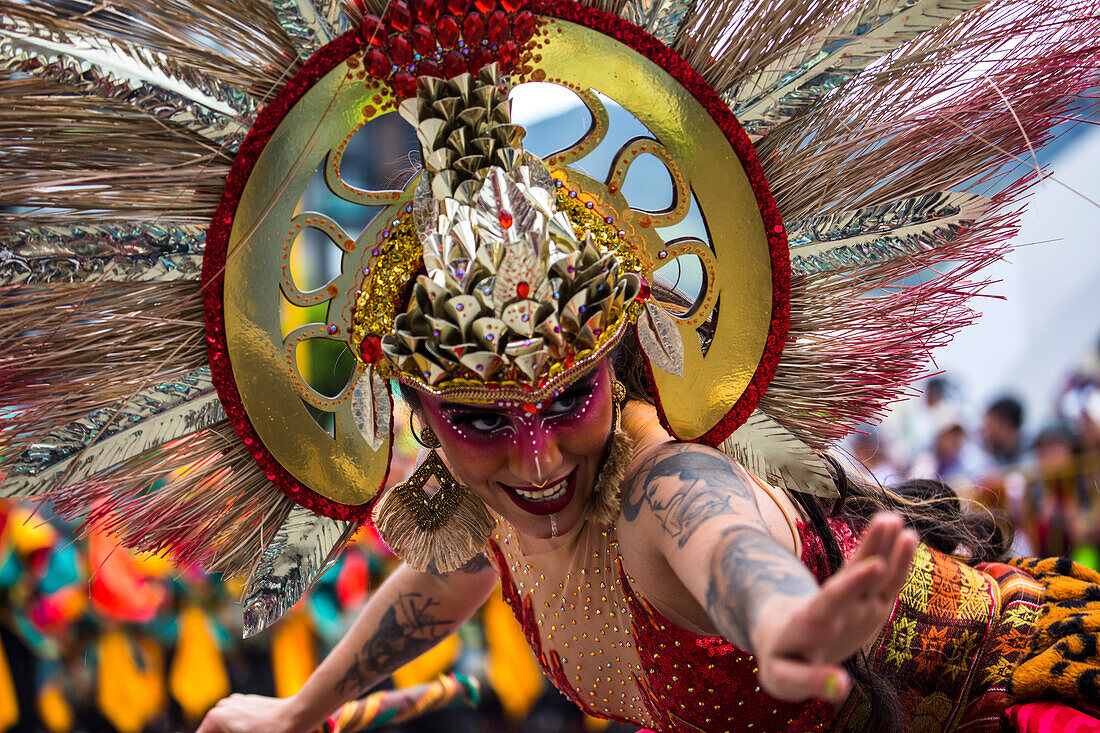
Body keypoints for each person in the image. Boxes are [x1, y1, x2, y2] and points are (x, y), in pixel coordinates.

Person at [2, 0, 1099, 732]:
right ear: (415, 410)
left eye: (566, 395)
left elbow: (724, 548)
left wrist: (779, 624)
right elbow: (447, 578)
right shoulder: (486, 512)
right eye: (479, 421)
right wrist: (295, 712)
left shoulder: (662, 488)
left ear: (617, 363)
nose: (534, 456)